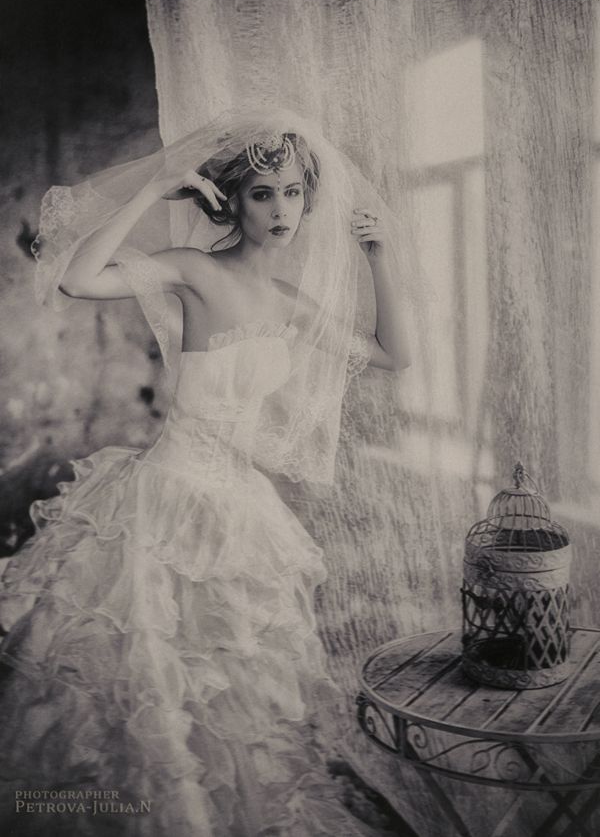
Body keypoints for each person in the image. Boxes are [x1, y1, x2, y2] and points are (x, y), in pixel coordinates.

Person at [0, 109, 410, 836]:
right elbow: (77, 281)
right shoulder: (194, 271)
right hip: (164, 499)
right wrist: (154, 187)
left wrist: (380, 257)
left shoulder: (291, 303)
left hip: (241, 512)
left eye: (292, 193)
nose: (280, 210)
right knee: (150, 679)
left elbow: (391, 356)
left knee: (228, 685)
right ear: (231, 201)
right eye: (262, 194)